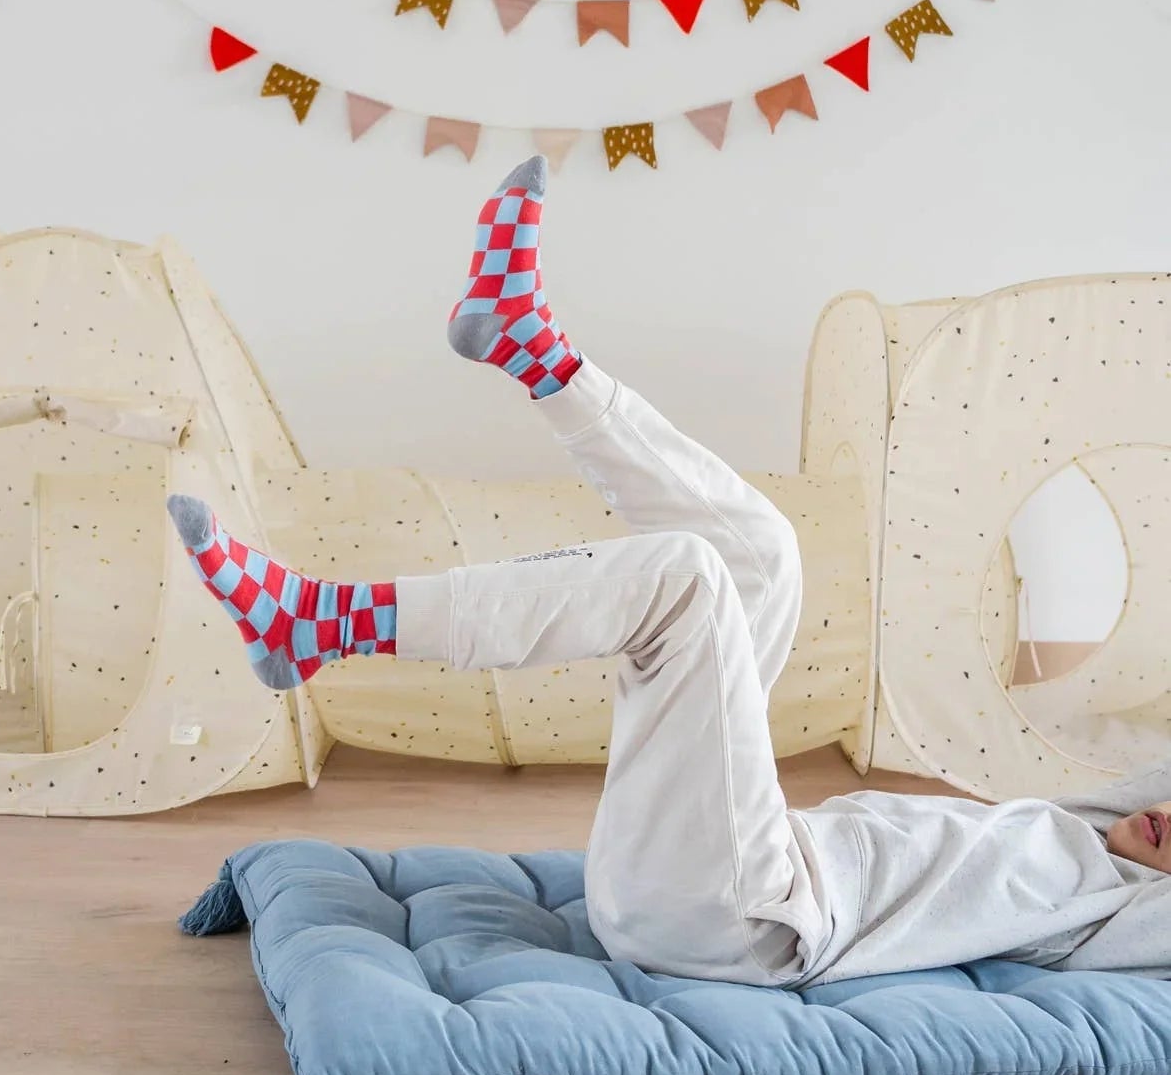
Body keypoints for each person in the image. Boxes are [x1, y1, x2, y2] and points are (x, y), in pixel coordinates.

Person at [167, 156, 1171, 989]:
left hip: (742, 921)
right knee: (758, 556)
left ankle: (324, 620)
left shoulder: (1122, 911)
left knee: (685, 580)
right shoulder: (1094, 826)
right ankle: (536, 351)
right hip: (727, 862)